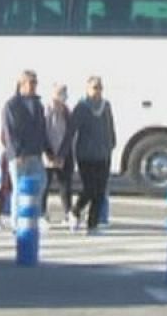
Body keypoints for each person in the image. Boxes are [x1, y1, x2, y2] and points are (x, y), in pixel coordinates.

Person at [1, 70, 51, 226]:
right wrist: (16, 153)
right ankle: (16, 221)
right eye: (31, 83)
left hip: (35, 154)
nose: (34, 86)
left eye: (35, 83)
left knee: (41, 182)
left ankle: (34, 216)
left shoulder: (38, 105)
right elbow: (10, 131)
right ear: (21, 84)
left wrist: (48, 151)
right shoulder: (12, 105)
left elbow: (42, 130)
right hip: (19, 156)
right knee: (19, 188)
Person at [68, 76, 116, 234]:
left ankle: (92, 224)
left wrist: (111, 143)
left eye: (99, 87)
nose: (97, 91)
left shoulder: (106, 105)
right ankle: (75, 209)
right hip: (85, 155)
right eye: (94, 87)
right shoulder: (81, 107)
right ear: (88, 89)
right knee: (89, 188)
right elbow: (72, 129)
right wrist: (63, 151)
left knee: (100, 191)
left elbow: (110, 125)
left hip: (103, 153)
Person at [42, 82, 74, 227]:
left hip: (63, 154)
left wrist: (62, 154)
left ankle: (68, 213)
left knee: (65, 185)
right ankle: (42, 214)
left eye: (64, 92)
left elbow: (69, 134)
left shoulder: (67, 111)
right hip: (47, 155)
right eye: (60, 92)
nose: (62, 96)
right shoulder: (46, 110)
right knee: (44, 185)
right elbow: (42, 133)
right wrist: (49, 154)